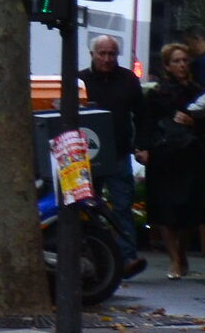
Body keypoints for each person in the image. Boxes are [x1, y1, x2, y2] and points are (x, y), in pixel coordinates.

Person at [136, 43, 205, 279]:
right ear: (167, 65)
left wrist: (195, 123)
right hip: (165, 154)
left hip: (192, 155)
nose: (182, 65)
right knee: (164, 208)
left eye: (185, 60)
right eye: (176, 61)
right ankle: (174, 259)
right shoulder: (157, 93)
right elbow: (146, 123)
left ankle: (182, 252)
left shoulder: (199, 91)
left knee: (192, 209)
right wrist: (143, 148)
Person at [79, 35, 148, 278]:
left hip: (118, 154)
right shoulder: (80, 81)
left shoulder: (128, 79)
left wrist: (141, 146)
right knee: (88, 208)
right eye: (102, 54)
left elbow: (141, 115)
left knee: (122, 206)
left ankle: (128, 257)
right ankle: (96, 256)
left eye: (111, 54)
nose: (107, 59)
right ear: (93, 54)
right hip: (89, 157)